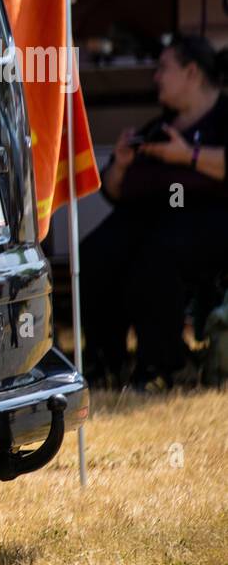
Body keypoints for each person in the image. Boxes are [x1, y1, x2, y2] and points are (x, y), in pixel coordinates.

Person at [81, 35, 228, 389]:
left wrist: (188, 157)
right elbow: (113, 191)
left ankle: (163, 366)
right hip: (149, 217)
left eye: (164, 68)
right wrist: (120, 165)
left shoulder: (223, 117)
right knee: (97, 251)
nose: (156, 77)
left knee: (155, 257)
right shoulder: (158, 127)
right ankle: (106, 362)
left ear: (192, 73)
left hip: (209, 220)